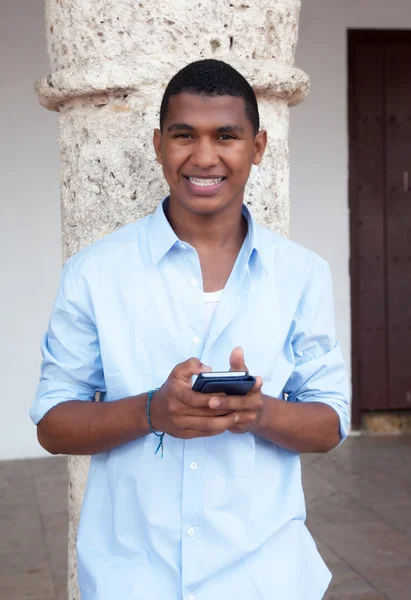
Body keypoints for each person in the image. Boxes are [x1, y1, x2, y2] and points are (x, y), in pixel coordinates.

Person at [31, 59, 349, 600]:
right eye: (184, 136)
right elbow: (53, 424)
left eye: (226, 136)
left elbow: (330, 423)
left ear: (259, 146)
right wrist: (152, 411)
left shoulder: (302, 275)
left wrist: (260, 412)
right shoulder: (94, 273)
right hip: (132, 577)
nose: (205, 157)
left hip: (266, 576)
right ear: (158, 145)